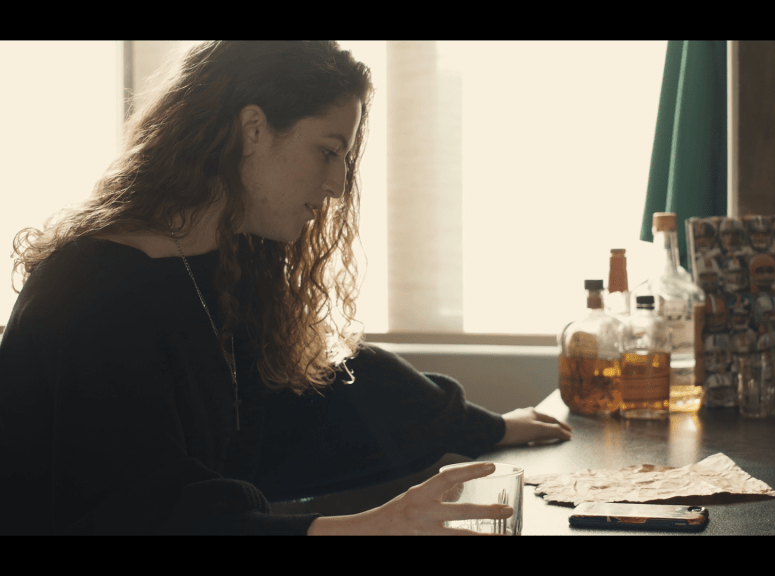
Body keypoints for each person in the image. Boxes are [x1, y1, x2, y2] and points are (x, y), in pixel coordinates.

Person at [0, 41, 571, 535]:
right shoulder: (93, 295)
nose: (339, 185)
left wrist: (488, 427)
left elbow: (329, 388)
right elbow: (146, 514)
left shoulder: (219, 268)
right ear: (253, 129)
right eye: (328, 151)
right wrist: (370, 526)